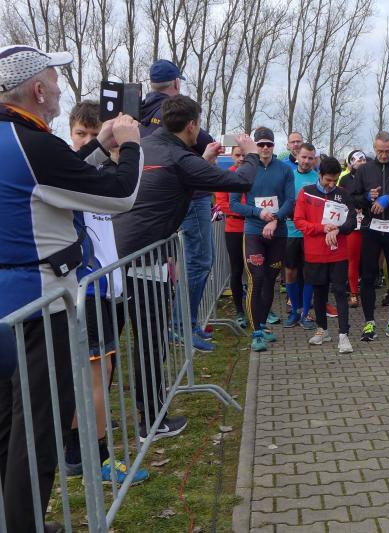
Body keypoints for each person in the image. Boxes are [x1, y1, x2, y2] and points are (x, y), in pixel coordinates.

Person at [0, 44, 142, 532]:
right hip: (38, 305)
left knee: (7, 424)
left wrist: (98, 145)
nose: (61, 88)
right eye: (55, 79)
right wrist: (130, 144)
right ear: (38, 91)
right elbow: (119, 195)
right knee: (39, 428)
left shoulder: (23, 142)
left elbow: (55, 176)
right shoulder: (33, 145)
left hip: (8, 305)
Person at [113, 95, 259, 445]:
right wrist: (251, 153)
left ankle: (95, 426)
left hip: (113, 255)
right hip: (144, 262)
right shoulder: (179, 157)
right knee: (150, 342)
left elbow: (174, 184)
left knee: (107, 345)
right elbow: (241, 181)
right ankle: (152, 420)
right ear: (192, 125)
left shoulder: (146, 146)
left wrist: (202, 162)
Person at [64, 101, 149, 486]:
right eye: (80, 134)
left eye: (94, 134)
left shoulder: (106, 175)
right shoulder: (69, 172)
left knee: (98, 372)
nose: (87, 141)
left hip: (108, 286)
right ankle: (93, 458)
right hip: (87, 288)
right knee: (95, 375)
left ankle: (75, 453)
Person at [140, 59, 217, 352]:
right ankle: (182, 324)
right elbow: (206, 141)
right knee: (200, 261)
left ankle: (184, 322)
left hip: (160, 196)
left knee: (187, 261)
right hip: (192, 196)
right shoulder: (176, 112)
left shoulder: (139, 113)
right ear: (175, 83)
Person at [230, 127, 295, 351]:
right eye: (261, 144)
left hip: (278, 232)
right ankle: (256, 332)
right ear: (255, 146)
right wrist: (259, 213)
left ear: (274, 146)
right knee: (256, 279)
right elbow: (234, 204)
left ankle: (263, 326)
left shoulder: (284, 170)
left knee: (269, 281)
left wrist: (275, 218)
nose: (265, 148)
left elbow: (290, 201)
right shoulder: (245, 169)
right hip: (254, 232)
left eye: (269, 144)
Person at [345, 131, 389, 341]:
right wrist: (367, 197)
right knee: (368, 275)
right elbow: (352, 197)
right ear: (374, 148)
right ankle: (369, 323)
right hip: (370, 228)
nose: (384, 155)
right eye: (380, 151)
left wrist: (388, 198)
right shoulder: (365, 169)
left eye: (388, 151)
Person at [293, 157, 358, 353]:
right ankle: (323, 329)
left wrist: (338, 230)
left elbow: (352, 221)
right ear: (319, 175)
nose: (331, 184)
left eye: (335, 180)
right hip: (314, 253)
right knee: (319, 293)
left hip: (338, 253)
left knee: (339, 292)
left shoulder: (343, 194)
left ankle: (344, 335)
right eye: (328, 180)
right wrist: (322, 228)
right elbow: (299, 221)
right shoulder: (306, 192)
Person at [284, 143, 321, 329]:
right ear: (297, 156)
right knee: (290, 272)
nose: (306, 161)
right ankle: (295, 310)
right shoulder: (288, 176)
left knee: (309, 274)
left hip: (310, 234)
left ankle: (306, 313)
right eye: (304, 157)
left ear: (315, 159)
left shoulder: (318, 179)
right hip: (290, 232)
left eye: (310, 158)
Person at [215, 145, 248, 329]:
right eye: (238, 155)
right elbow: (222, 204)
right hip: (234, 227)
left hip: (254, 228)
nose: (241, 158)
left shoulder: (255, 174)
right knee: (236, 269)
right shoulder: (226, 176)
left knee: (256, 270)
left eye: (244, 155)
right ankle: (239, 310)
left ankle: (260, 308)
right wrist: (247, 211)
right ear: (232, 156)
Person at [338, 150, 368, 307]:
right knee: (353, 260)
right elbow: (343, 199)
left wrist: (362, 201)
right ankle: (354, 293)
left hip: (369, 223)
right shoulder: (345, 179)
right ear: (350, 162)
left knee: (369, 261)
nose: (360, 162)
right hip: (353, 224)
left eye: (363, 159)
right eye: (357, 160)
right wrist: (358, 201)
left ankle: (368, 292)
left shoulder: (371, 176)